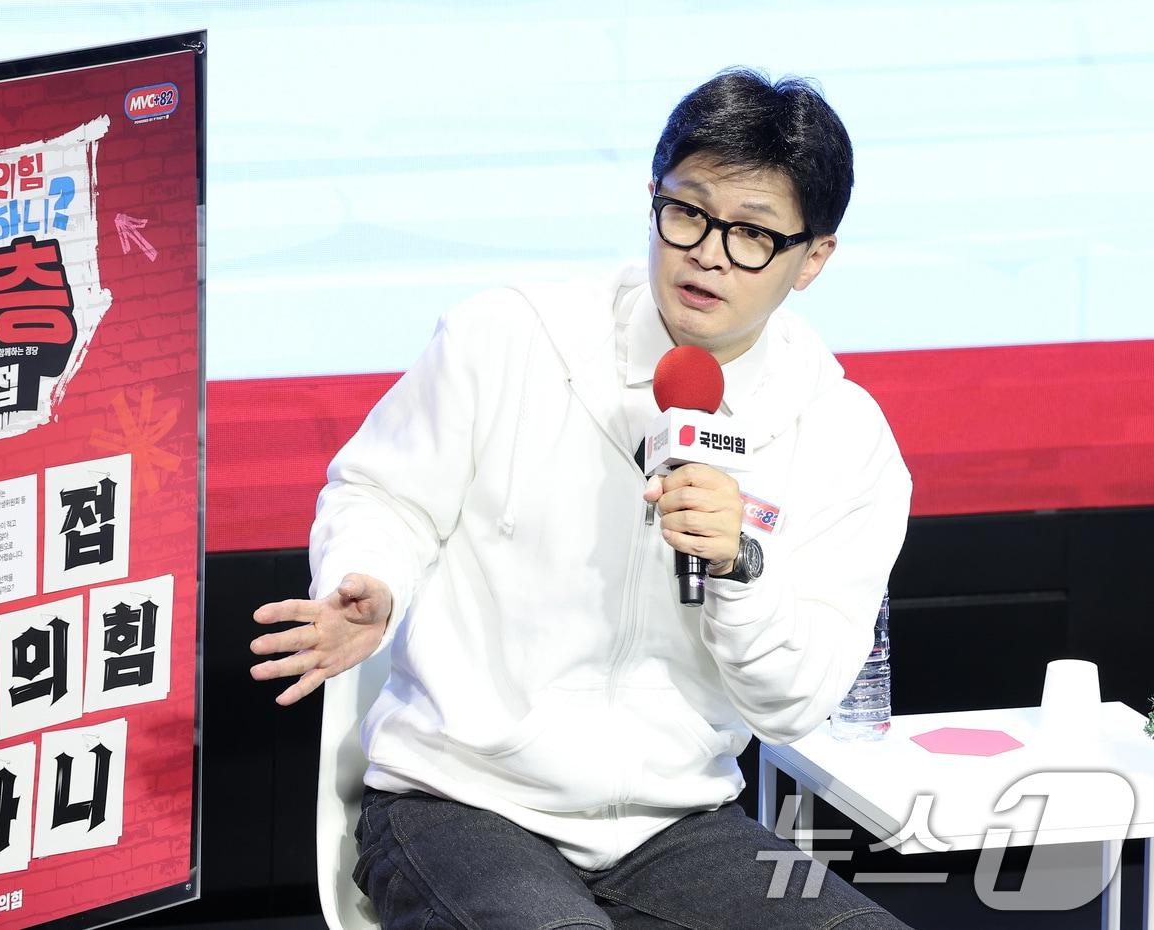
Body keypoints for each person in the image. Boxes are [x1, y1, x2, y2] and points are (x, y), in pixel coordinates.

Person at [252, 68, 914, 929]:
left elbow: (792, 702)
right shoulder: (510, 337)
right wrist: (370, 577)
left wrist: (740, 568)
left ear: (813, 258)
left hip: (677, 825)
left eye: (752, 234)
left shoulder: (841, 437)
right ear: (653, 198)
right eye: (688, 211)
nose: (709, 253)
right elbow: (385, 496)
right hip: (460, 801)